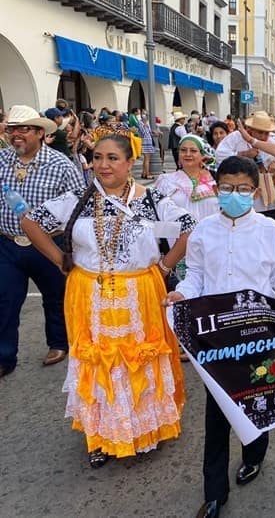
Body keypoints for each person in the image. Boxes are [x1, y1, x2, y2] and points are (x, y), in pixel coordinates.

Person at [21, 134, 194, 467]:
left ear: (130, 163)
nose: (103, 165)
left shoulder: (151, 199)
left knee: (139, 360)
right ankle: (100, 436)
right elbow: (31, 222)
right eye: (98, 157)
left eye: (113, 158)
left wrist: (166, 264)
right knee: (98, 363)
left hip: (140, 294)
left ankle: (146, 429)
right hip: (90, 295)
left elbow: (189, 228)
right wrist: (60, 259)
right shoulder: (78, 199)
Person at [163, 156, 275, 518]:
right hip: (215, 335)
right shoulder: (202, 231)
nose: (235, 195)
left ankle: (254, 454)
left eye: (243, 189)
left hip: (257, 332)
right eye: (228, 188)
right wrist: (182, 293)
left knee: (256, 397)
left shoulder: (269, 230)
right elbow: (196, 275)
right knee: (217, 414)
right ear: (217, 189)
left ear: (255, 191)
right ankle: (214, 492)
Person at [0, 105, 85, 378]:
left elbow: (78, 204)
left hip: (49, 244)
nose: (16, 135)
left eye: (23, 129)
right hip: (7, 243)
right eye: (12, 129)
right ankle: (4, 356)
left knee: (56, 296)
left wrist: (71, 248)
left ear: (39, 132)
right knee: (5, 300)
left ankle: (58, 344)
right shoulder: (1, 160)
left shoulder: (60, 164)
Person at [155, 134, 218, 280]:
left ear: (203, 155)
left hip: (211, 246)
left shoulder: (215, 179)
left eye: (193, 151)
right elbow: (158, 220)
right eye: (183, 150)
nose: (187, 154)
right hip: (177, 248)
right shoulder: (167, 181)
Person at [215, 112, 275, 211]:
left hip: (265, 186)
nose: (264, 136)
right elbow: (219, 154)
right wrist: (243, 154)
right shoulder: (236, 137)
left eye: (267, 133)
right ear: (251, 129)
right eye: (260, 132)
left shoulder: (273, 139)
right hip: (240, 186)